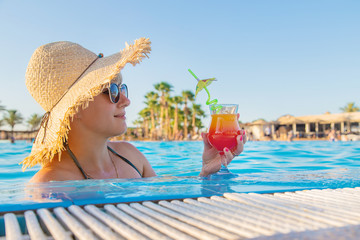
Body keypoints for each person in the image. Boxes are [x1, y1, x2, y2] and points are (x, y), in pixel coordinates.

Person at [23, 38, 246, 183]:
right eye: (111, 90)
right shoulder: (49, 185)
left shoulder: (131, 156)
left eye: (122, 88)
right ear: (74, 107)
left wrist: (206, 171)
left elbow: (170, 206)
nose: (126, 100)